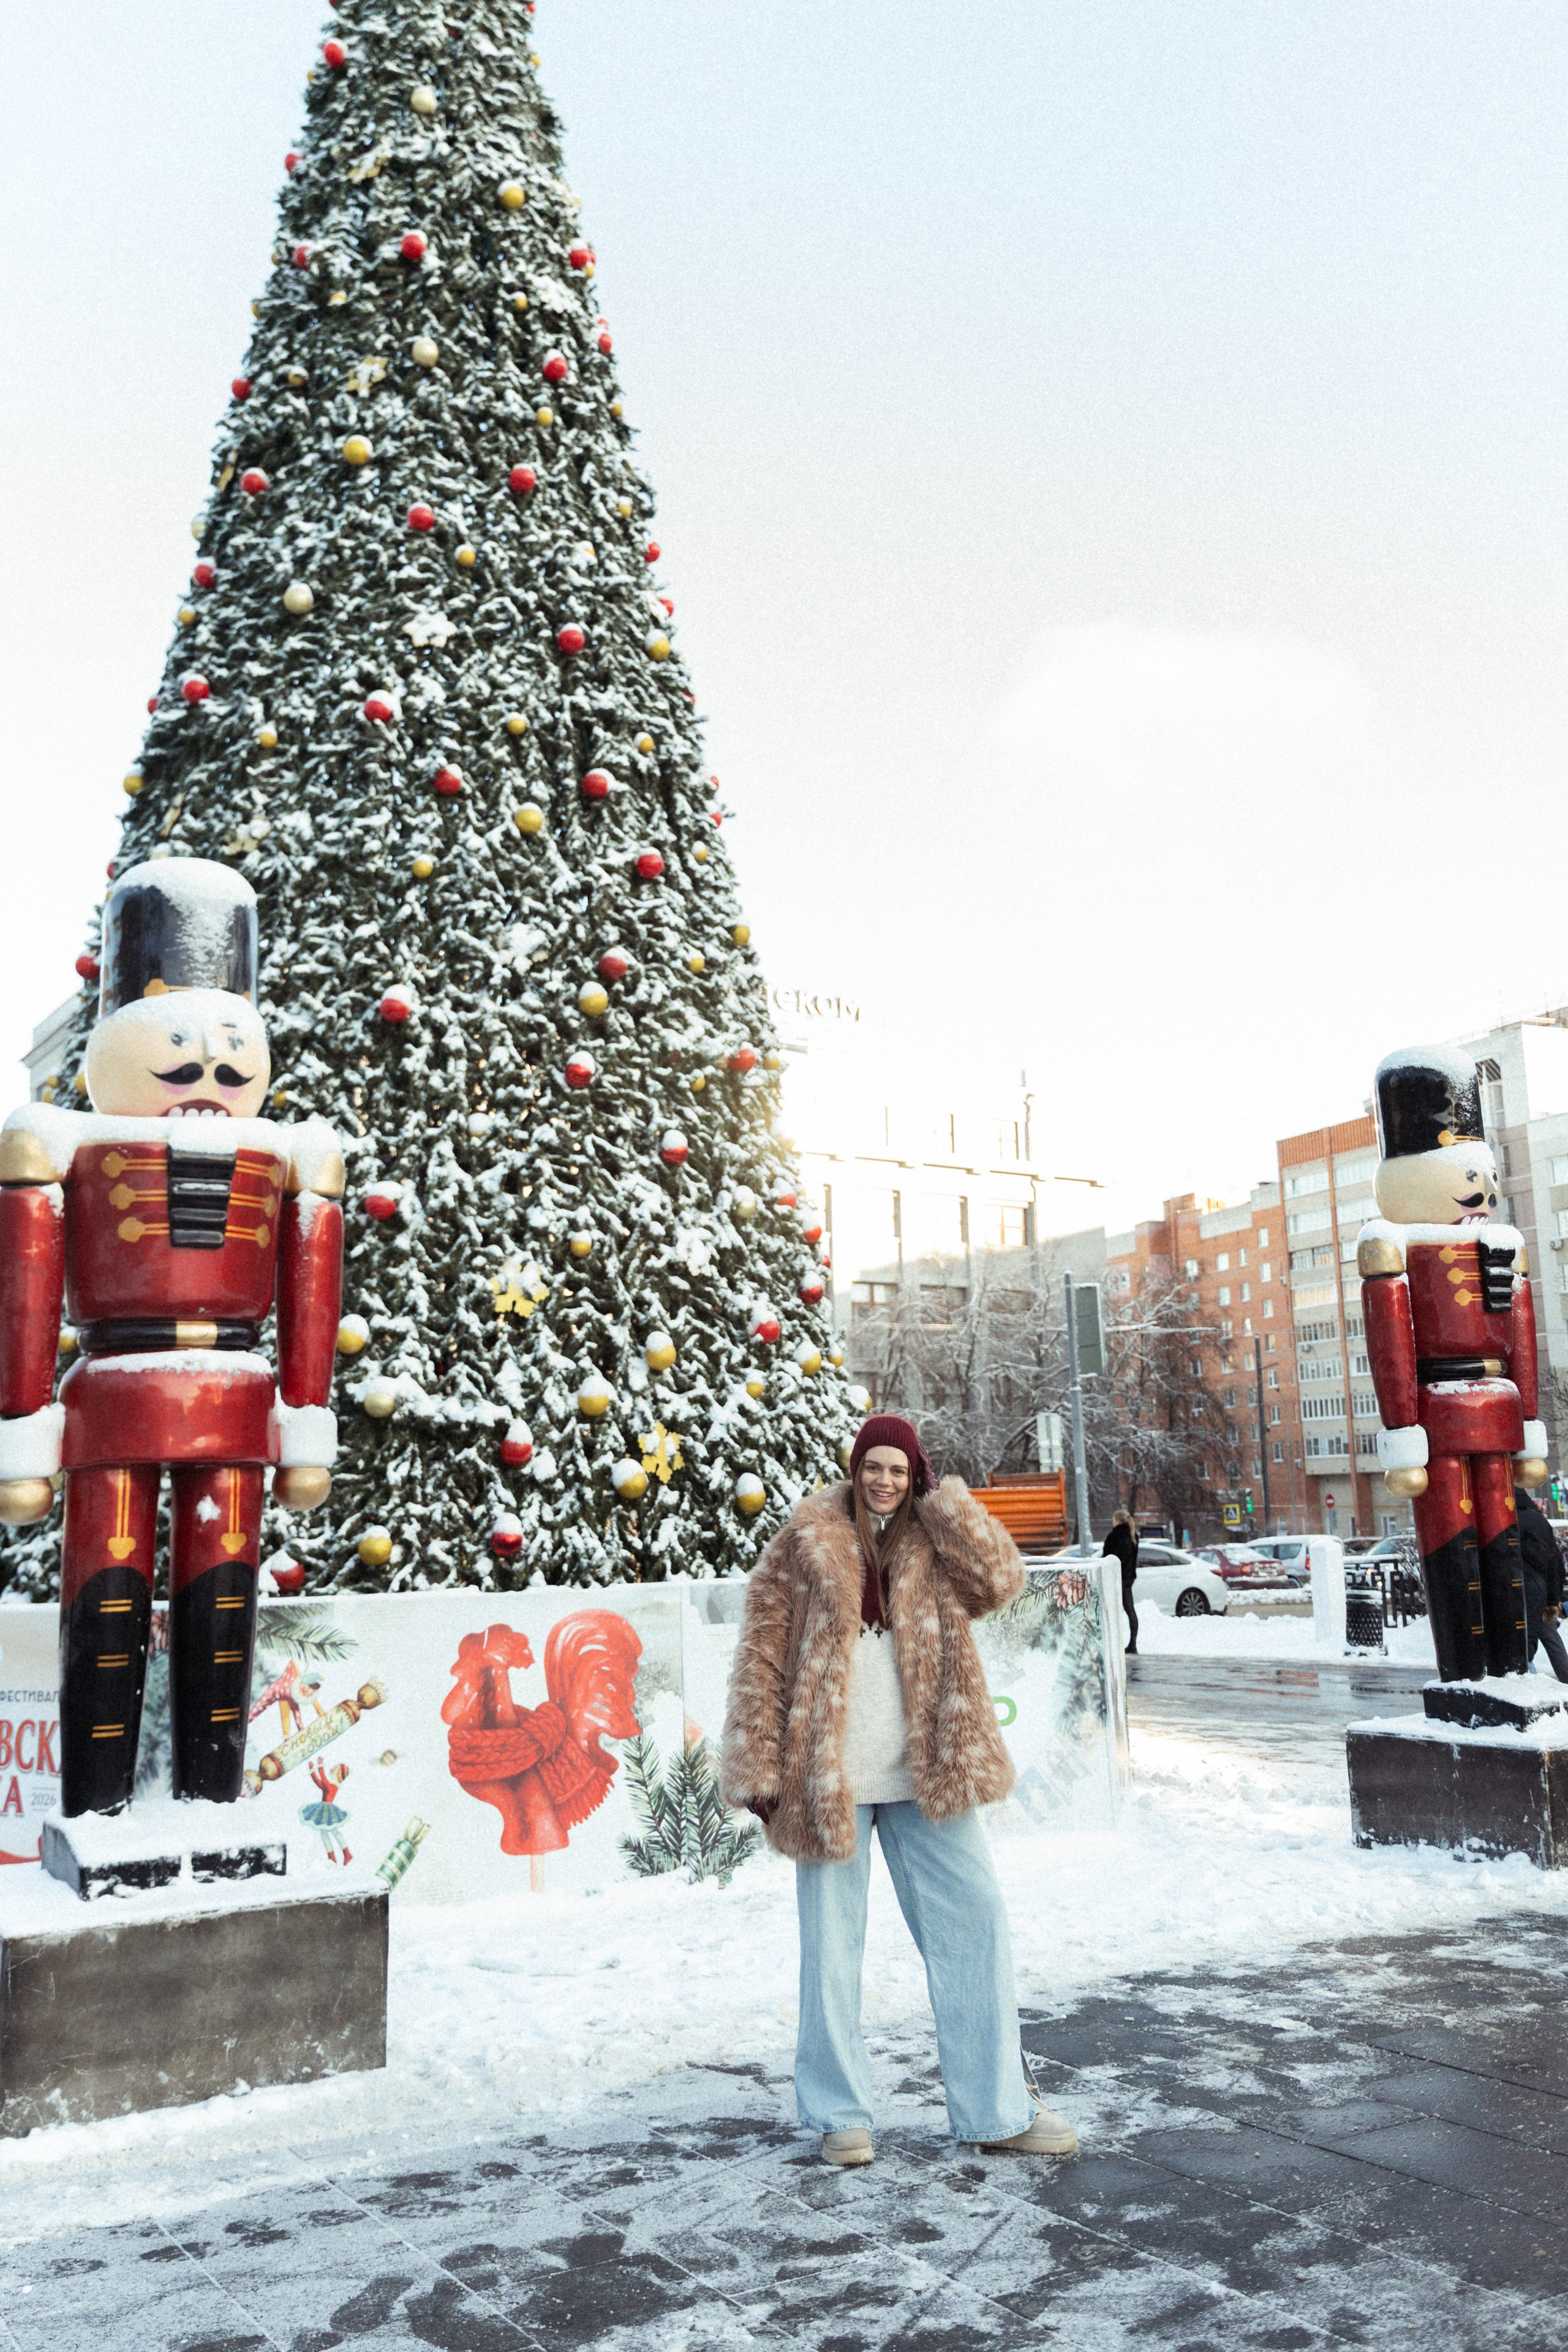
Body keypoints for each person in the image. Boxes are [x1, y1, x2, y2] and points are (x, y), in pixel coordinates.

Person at [722, 1413, 1077, 2169]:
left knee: (975, 1924)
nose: (884, 1481)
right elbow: (761, 1652)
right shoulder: (804, 1540)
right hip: (828, 1778)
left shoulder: (932, 1539)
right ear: (855, 1471)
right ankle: (838, 2116)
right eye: (872, 1467)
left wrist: (946, 1504)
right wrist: (757, 1768)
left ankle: (995, 2109)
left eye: (898, 1469)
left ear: (914, 1474)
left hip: (928, 1773)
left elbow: (1001, 1583)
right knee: (830, 1951)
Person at [1515, 1485, 1568, 1682]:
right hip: (1542, 1591)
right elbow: (1555, 1563)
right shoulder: (1540, 1522)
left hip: (1516, 1591)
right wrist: (1553, 1601)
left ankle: (1529, 1682)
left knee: (1522, 1643)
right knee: (1551, 1638)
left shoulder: (1506, 1522)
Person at [1102, 1508, 1140, 1654]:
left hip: (1116, 1578)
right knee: (1130, 1610)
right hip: (1128, 1578)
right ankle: (1133, 1643)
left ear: (1117, 1520)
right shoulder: (1132, 1535)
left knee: (1113, 1611)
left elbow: (1108, 1558)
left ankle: (1114, 1642)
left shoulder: (1115, 1536)